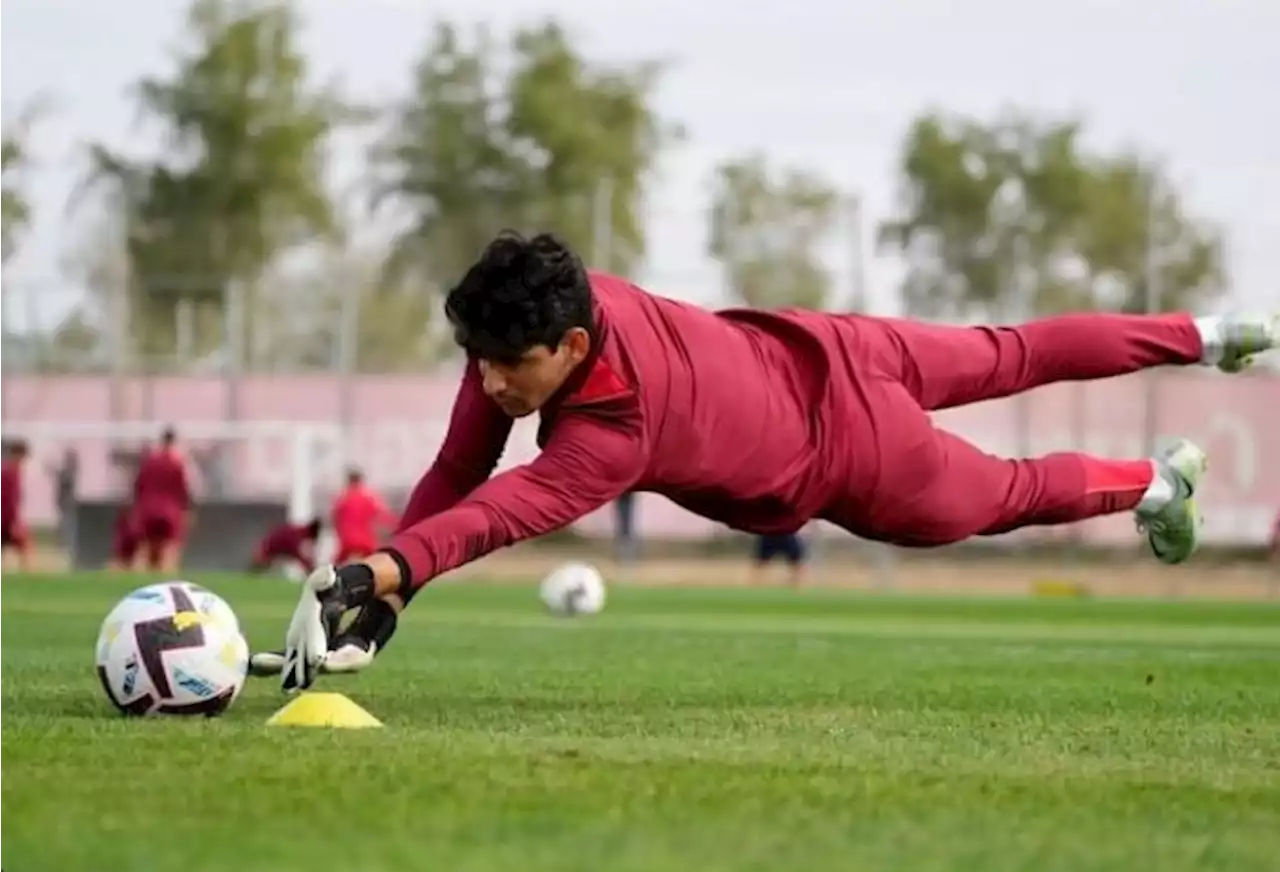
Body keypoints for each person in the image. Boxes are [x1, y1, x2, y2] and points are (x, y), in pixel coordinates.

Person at [249, 230, 1279, 689]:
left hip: (855, 456)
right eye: (470, 358)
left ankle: (1153, 481)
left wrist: (383, 570)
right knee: (1009, 349)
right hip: (828, 343)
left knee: (999, 499)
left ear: (568, 346)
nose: (485, 384)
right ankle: (1206, 330)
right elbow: (456, 468)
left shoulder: (609, 437)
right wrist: (396, 579)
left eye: (503, 364)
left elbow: (496, 510)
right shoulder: (575, 292)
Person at [131, 426, 193, 573]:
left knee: (144, 547)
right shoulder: (178, 462)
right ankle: (167, 581)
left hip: (148, 509)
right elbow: (184, 489)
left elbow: (138, 485)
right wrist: (187, 511)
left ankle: (135, 580)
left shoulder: (149, 461)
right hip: (170, 511)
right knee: (170, 548)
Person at [330, 468, 396, 564]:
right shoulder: (369, 498)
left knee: (337, 568)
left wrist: (341, 534)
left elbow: (335, 519)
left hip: (347, 542)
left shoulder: (342, 499)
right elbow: (384, 516)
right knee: (374, 566)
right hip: (365, 541)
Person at [0, 439, 32, 572]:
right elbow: (9, 499)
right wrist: (13, 521)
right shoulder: (10, 472)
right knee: (23, 544)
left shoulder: (8, 470)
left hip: (6, 517)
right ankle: (27, 573)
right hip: (5, 518)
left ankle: (26, 572)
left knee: (20, 545)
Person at [250, 517, 323, 574]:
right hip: (270, 547)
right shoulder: (297, 535)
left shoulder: (298, 531)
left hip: (273, 548)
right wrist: (310, 567)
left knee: (263, 568)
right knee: (259, 568)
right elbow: (297, 553)